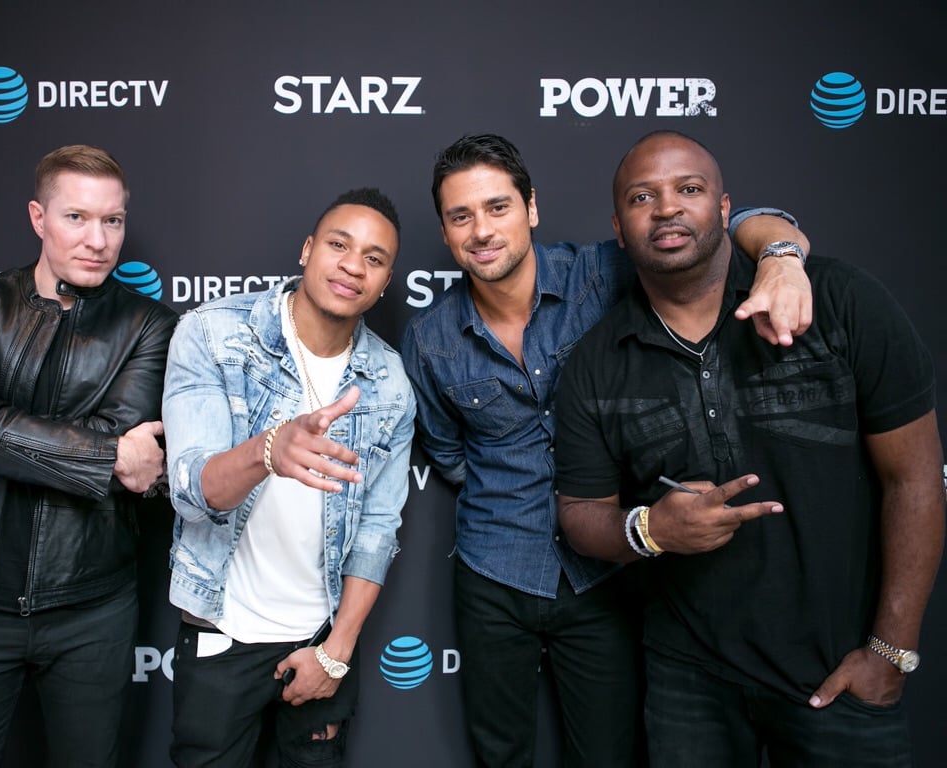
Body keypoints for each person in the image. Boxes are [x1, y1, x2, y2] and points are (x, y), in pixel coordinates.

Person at [400, 132, 815, 767]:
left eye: (497, 207)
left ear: (531, 208)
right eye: (461, 216)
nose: (481, 230)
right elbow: (447, 453)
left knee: (608, 756)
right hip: (492, 569)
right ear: (447, 231)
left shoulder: (602, 274)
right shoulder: (430, 339)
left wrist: (784, 258)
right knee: (497, 756)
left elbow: (733, 228)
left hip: (607, 572)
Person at [553, 130, 943, 766]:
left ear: (727, 210)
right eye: (642, 197)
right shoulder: (596, 364)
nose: (667, 208)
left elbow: (918, 479)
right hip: (689, 682)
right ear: (619, 230)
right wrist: (650, 529)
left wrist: (891, 651)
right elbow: (580, 514)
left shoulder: (841, 301)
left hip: (840, 671)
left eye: (689, 189)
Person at [0, 144, 177, 768]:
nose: (99, 240)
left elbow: (134, 440)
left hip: (92, 608)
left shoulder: (149, 324)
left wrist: (4, 429)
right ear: (37, 217)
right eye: (76, 217)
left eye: (113, 220)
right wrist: (105, 456)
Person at [162, 187, 416, 767]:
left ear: (384, 281)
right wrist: (269, 450)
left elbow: (378, 529)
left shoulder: (388, 382)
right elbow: (190, 490)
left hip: (319, 641)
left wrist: (337, 651)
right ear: (307, 250)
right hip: (222, 631)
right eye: (339, 245)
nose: (353, 265)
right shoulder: (214, 334)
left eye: (374, 259)